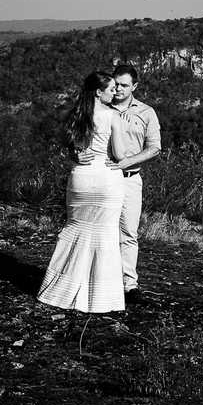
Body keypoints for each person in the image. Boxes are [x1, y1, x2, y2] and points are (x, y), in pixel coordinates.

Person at [38, 72, 129, 313]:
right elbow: (120, 155)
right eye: (111, 90)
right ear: (99, 92)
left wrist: (75, 153)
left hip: (81, 179)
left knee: (75, 230)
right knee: (105, 236)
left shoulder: (76, 115)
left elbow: (68, 145)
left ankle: (61, 290)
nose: (115, 93)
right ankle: (100, 297)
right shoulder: (113, 116)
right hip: (106, 180)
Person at [107, 64, 162, 304]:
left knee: (128, 232)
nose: (118, 89)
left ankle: (129, 285)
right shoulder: (100, 107)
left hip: (130, 180)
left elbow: (155, 147)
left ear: (135, 87)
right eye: (116, 84)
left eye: (124, 85)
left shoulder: (146, 112)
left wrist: (127, 162)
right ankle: (100, 281)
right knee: (102, 231)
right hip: (103, 179)